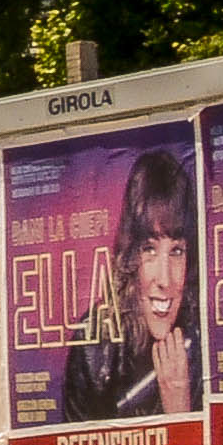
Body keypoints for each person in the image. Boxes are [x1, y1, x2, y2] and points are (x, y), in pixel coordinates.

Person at [47, 149, 200, 423]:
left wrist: (180, 412)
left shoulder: (202, 340)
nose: (164, 280)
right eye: (149, 250)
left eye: (176, 251)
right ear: (130, 255)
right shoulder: (94, 343)